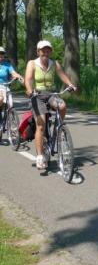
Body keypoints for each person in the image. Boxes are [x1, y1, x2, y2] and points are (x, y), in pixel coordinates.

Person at [24, 40, 76, 170]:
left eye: (48, 50)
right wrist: (30, 91)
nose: (45, 53)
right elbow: (28, 79)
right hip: (37, 95)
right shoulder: (32, 63)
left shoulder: (54, 64)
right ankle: (40, 156)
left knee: (62, 106)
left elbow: (62, 75)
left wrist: (69, 84)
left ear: (50, 52)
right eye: (43, 50)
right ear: (38, 52)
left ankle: (57, 131)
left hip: (51, 94)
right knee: (40, 124)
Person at [0, 46, 24, 111]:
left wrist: (19, 77)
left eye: (2, 53)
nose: (0, 55)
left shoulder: (7, 65)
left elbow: (13, 73)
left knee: (10, 104)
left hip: (5, 86)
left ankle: (10, 117)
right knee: (0, 99)